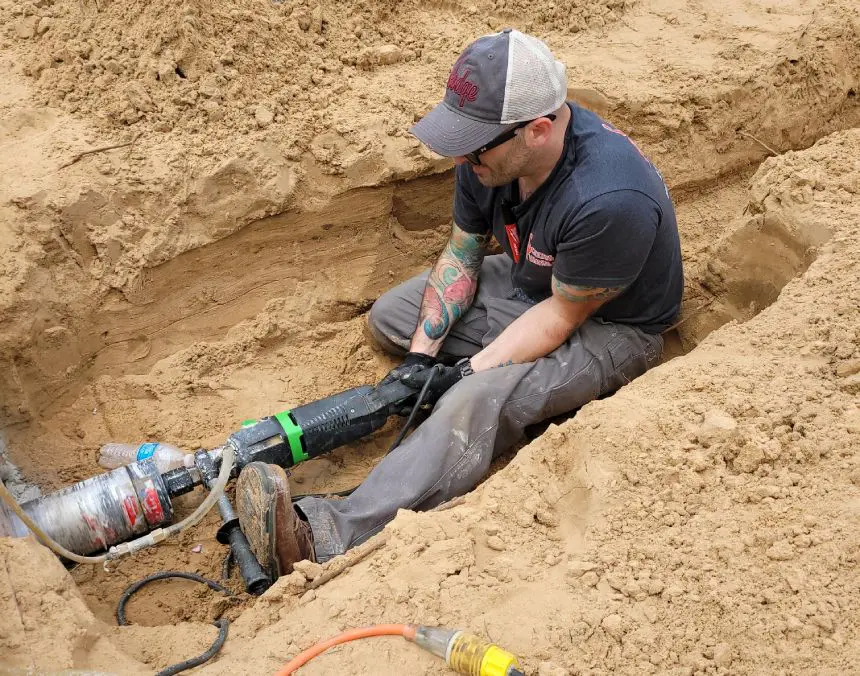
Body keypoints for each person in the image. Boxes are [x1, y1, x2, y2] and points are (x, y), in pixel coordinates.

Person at [236, 29, 683, 578]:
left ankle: (325, 535)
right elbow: (464, 250)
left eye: (474, 144)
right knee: (393, 318)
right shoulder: (493, 154)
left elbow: (562, 317)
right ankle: (442, 383)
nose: (461, 154)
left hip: (608, 324)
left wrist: (468, 371)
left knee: (475, 397)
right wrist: (423, 359)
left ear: (538, 130)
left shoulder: (609, 200)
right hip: (536, 281)